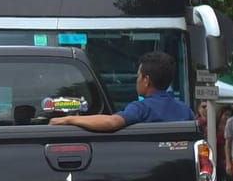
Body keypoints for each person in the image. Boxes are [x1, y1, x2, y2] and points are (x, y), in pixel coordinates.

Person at [50, 51, 192, 131]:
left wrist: (70, 119)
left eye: (138, 76)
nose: (137, 81)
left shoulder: (141, 108)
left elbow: (112, 122)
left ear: (146, 80)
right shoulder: (185, 110)